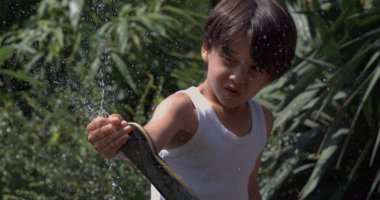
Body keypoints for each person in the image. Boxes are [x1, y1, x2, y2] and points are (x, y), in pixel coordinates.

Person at [86, 0, 297, 199]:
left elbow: (248, 185)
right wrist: (115, 139)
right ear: (206, 48)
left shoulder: (263, 120)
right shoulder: (184, 110)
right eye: (230, 59)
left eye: (255, 69)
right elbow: (144, 147)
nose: (238, 77)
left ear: (272, 75)